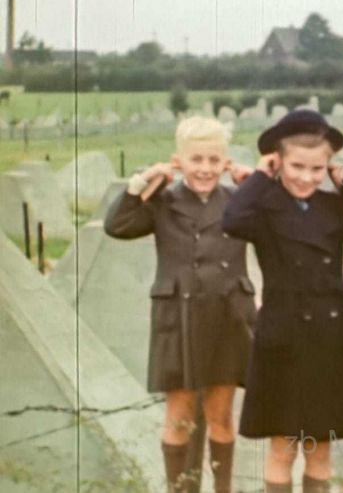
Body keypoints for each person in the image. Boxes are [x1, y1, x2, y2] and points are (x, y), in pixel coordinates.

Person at [221, 110, 343, 493]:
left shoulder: (332, 205)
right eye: (296, 166)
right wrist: (259, 175)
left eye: (317, 169)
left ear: (329, 167)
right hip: (282, 335)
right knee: (283, 446)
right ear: (278, 161)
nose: (306, 177)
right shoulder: (264, 205)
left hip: (329, 336)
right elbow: (232, 220)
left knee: (321, 448)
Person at [104, 116, 256, 493]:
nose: (205, 169)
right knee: (179, 415)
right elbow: (117, 226)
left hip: (228, 316)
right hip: (180, 317)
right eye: (196, 160)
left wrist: (257, 186)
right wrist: (140, 185)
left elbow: (275, 222)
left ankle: (223, 488)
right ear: (179, 161)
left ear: (225, 162)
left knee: (220, 414)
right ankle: (179, 488)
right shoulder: (163, 202)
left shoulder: (239, 202)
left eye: (213, 160)